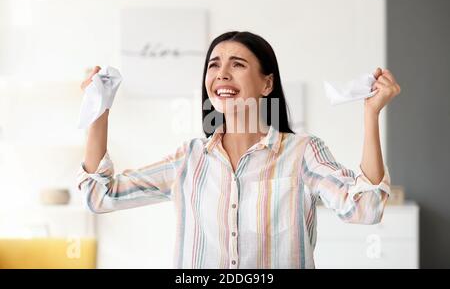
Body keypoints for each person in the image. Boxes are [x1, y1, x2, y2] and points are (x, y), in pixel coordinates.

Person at [77, 31, 401, 269]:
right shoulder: (188, 160)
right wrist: (99, 109)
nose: (221, 74)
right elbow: (100, 196)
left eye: (238, 64)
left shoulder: (303, 153)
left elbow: (366, 208)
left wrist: (371, 113)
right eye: (214, 65)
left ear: (266, 84)